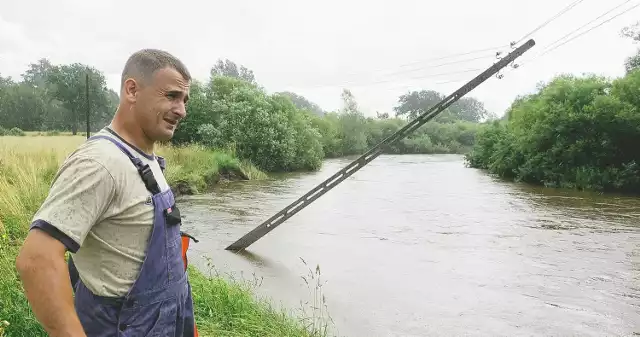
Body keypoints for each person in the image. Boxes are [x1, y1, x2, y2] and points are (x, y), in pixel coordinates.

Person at [15, 48, 199, 337]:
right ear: (132, 90)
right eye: (172, 96)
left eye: (184, 100)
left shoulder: (143, 159)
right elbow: (37, 259)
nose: (182, 110)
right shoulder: (99, 163)